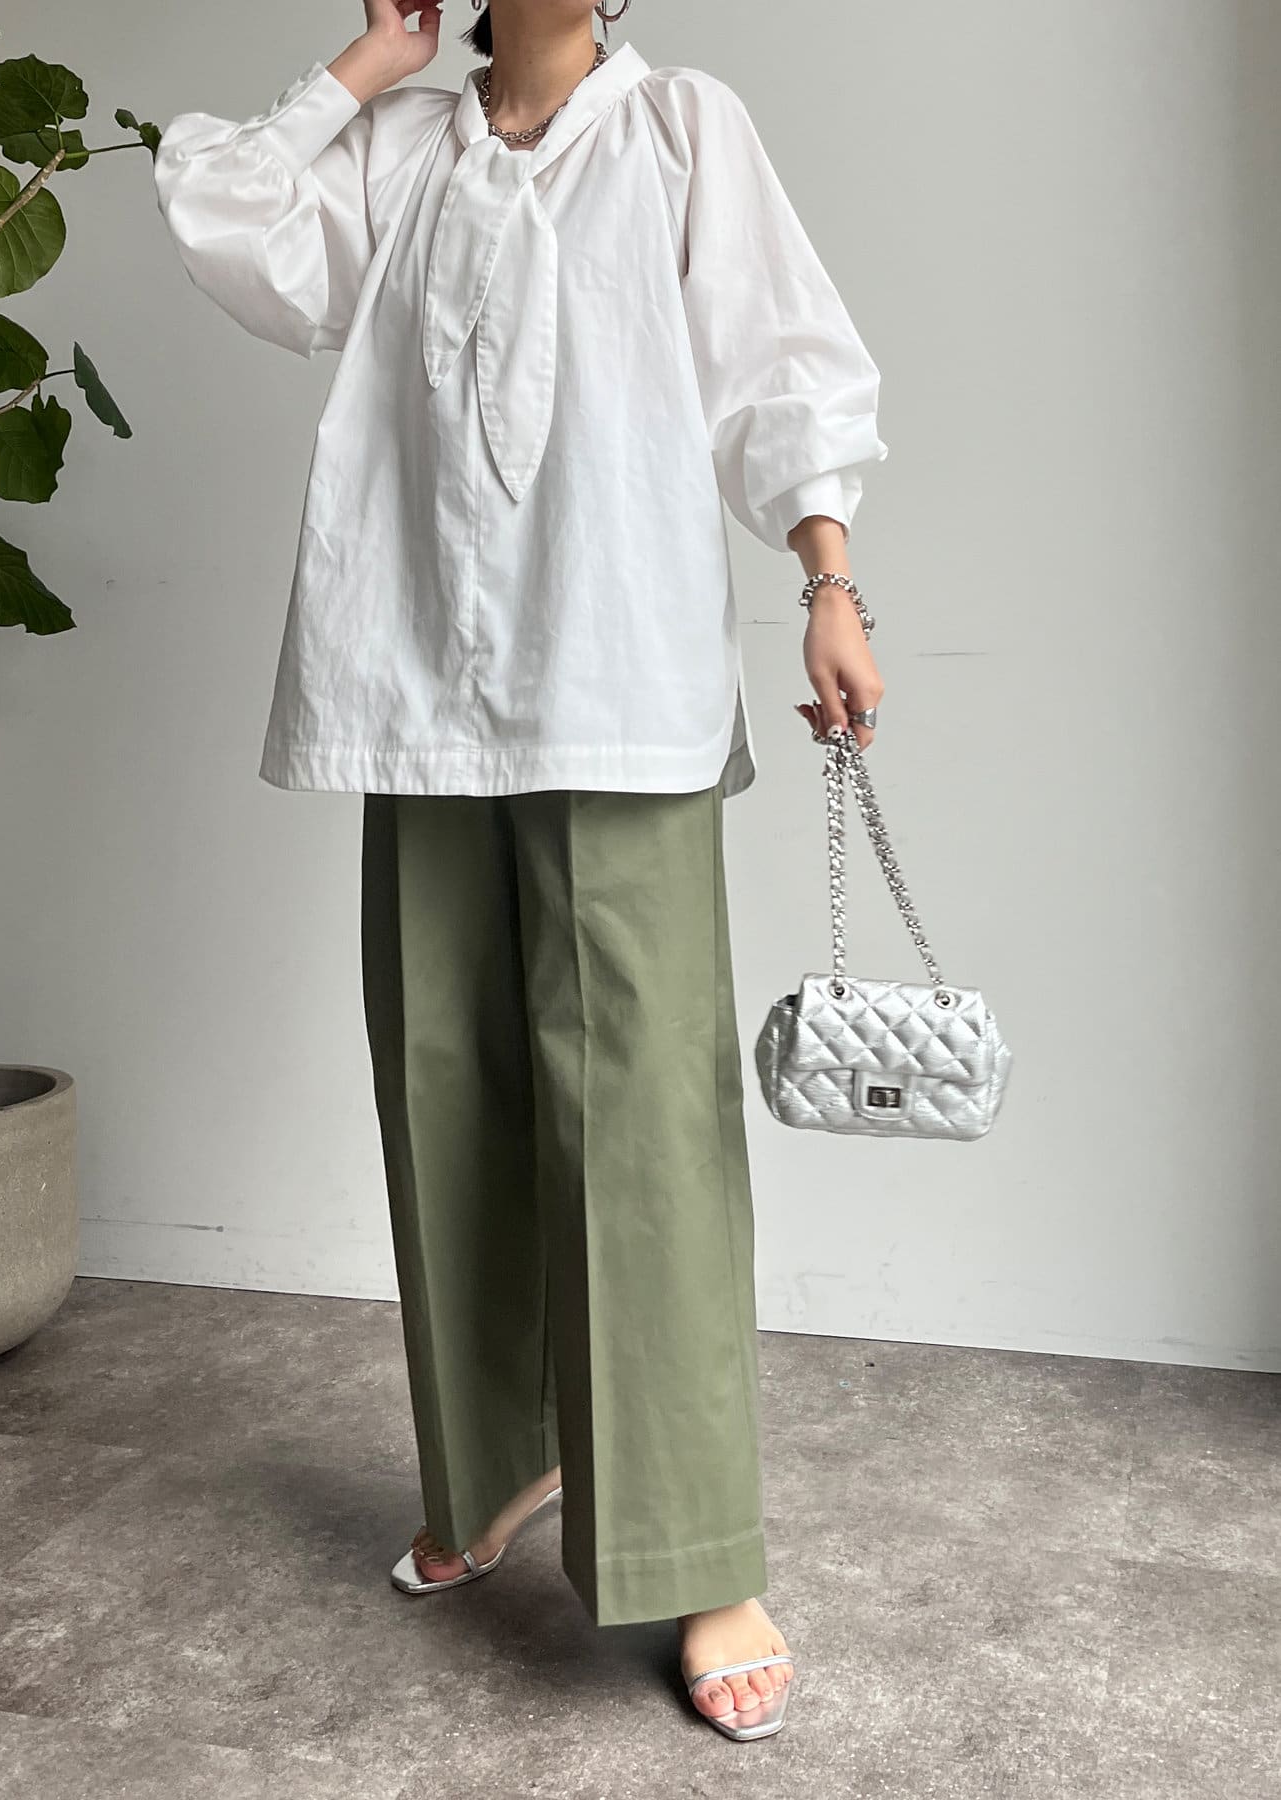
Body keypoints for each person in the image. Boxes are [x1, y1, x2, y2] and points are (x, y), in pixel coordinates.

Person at [152, 0, 887, 1745]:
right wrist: (369, 62)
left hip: (615, 676)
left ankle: (698, 1554)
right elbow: (228, 218)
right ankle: (492, 1463)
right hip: (415, 677)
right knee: (445, 1073)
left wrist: (828, 578)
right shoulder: (402, 146)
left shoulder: (681, 129)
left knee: (642, 1115)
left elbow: (780, 361)